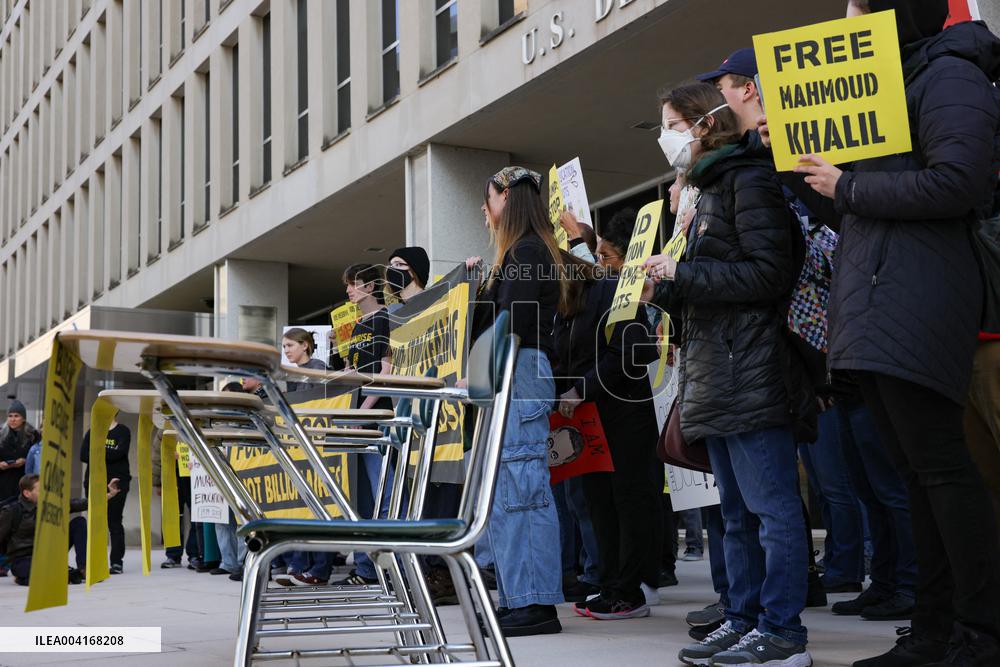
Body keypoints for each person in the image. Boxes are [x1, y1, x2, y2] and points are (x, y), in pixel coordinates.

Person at [786, 2, 1000, 664]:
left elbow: (959, 182)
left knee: (940, 470)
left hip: (921, 295)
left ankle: (980, 631)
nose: (846, 17)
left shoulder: (949, 76)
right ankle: (933, 629)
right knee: (916, 472)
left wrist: (847, 187)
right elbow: (853, 206)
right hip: (876, 299)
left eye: (857, 6)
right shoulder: (889, 85)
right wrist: (804, 171)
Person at [643, 82, 811, 666]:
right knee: (735, 517)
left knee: (771, 510)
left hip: (753, 366)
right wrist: (663, 286)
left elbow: (768, 275)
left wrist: (682, 276)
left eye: (670, 122)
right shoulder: (702, 194)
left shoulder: (749, 180)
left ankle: (783, 633)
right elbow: (707, 288)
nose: (665, 136)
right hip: (716, 368)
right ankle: (743, 619)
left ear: (702, 122)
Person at [467, 165, 569, 637]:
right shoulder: (521, 253)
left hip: (521, 372)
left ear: (505, 197)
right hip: (512, 372)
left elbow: (512, 324)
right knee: (510, 492)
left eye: (487, 199)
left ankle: (533, 603)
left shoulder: (527, 251)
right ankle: (517, 597)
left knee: (523, 489)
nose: (484, 211)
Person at [552, 253, 661, 621]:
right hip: (590, 419)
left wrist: (581, 387)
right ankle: (611, 584)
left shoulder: (613, 292)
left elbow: (630, 352)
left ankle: (629, 589)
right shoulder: (564, 310)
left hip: (625, 414)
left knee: (628, 500)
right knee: (598, 502)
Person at [329, 263, 395, 588]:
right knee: (363, 498)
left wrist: (363, 412)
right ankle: (368, 569)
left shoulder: (386, 318)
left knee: (384, 495)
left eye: (353, 284)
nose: (349, 291)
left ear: (370, 287)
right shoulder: (357, 326)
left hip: (377, 421)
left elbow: (385, 371)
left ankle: (386, 569)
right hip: (359, 422)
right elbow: (352, 372)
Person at [0, 474, 120, 586]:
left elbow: (78, 504)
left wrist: (108, 495)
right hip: (24, 557)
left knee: (79, 522)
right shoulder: (12, 511)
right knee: (44, 577)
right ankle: (46, 574)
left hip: (50, 553)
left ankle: (84, 568)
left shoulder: (51, 504)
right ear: (27, 493)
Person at [80, 420, 131, 575]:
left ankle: (116, 562)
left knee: (114, 522)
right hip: (94, 480)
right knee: (95, 521)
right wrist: (107, 452)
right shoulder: (93, 430)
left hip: (116, 481)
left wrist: (95, 452)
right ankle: (95, 560)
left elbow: (120, 452)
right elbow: (83, 455)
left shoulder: (123, 430)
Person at [0, 401, 35, 501]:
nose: (13, 419)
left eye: (16, 416)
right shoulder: (1, 435)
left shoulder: (32, 436)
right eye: (10, 416)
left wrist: (25, 461)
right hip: (3, 483)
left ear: (23, 418)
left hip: (23, 482)